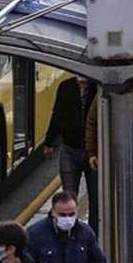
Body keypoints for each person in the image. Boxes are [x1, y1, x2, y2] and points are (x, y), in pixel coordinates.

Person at [44, 76, 99, 234]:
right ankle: (69, 234)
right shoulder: (65, 87)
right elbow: (57, 114)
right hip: (70, 149)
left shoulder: (98, 87)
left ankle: (92, 236)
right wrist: (49, 142)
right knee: (68, 195)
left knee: (96, 198)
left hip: (93, 153)